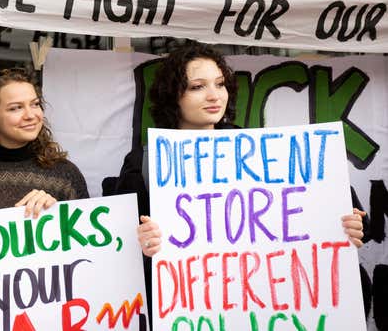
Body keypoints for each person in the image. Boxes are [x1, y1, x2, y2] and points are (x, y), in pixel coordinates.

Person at [111, 42, 366, 321]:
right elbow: (121, 250)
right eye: (197, 87)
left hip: (256, 309)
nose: (213, 96)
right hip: (187, 315)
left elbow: (328, 206)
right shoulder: (144, 163)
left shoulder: (259, 150)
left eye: (219, 84)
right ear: (173, 96)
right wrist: (142, 243)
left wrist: (350, 224)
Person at [0, 68, 89, 219]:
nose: (30, 115)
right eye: (16, 108)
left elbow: (88, 235)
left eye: (35, 104)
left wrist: (56, 211)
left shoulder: (66, 176)